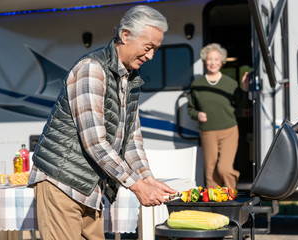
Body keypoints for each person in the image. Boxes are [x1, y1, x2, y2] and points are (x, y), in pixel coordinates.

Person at [27, 5, 176, 240]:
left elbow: (132, 141)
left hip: (90, 187)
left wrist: (148, 179)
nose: (150, 56)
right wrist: (137, 186)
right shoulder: (92, 69)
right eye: (148, 48)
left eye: (155, 50)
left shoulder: (130, 80)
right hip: (61, 182)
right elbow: (94, 142)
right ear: (125, 35)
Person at [187, 43, 249, 190]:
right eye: (209, 59)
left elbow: (243, 104)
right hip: (207, 132)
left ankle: (231, 197)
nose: (213, 62)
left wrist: (245, 88)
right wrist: (197, 114)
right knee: (210, 170)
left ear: (221, 62)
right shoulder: (197, 84)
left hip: (229, 130)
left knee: (224, 168)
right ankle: (214, 203)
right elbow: (190, 108)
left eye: (216, 59)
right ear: (204, 61)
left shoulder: (230, 83)